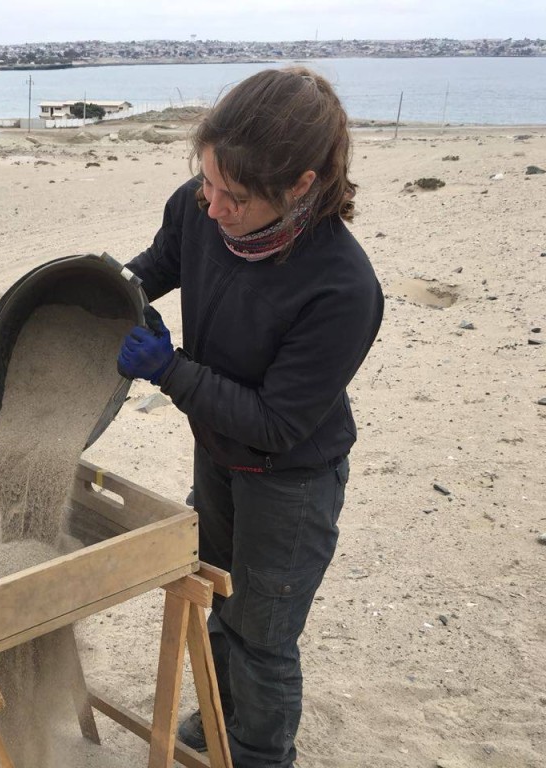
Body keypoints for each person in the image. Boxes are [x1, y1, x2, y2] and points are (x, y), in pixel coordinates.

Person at [116, 67, 383, 768]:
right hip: (218, 457)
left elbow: (272, 424)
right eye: (206, 183)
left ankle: (263, 755)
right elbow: (160, 260)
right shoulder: (200, 207)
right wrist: (105, 295)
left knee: (263, 632)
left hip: (288, 480)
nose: (213, 207)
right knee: (219, 600)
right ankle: (224, 713)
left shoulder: (341, 288)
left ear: (300, 185)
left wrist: (169, 369)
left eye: (234, 197)